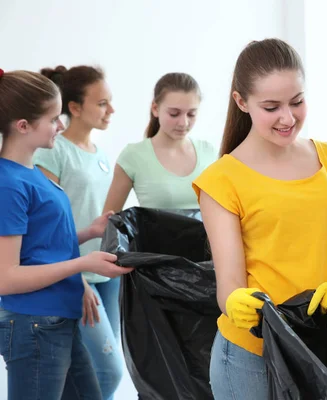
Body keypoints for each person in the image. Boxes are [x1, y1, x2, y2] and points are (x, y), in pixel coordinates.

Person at [192, 39, 327, 399]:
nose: (288, 118)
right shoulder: (221, 181)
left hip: (323, 344)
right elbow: (229, 285)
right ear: (242, 102)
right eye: (271, 107)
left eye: (297, 102)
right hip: (252, 354)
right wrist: (236, 304)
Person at [0, 68, 133, 400]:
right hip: (34, 324)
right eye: (51, 119)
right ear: (23, 126)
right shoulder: (9, 184)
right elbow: (7, 277)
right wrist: (81, 266)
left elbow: (41, 247)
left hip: (57, 319)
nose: (60, 126)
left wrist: (89, 231)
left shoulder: (31, 175)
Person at [34, 65, 122, 400]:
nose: (110, 110)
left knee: (101, 370)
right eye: (102, 103)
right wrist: (79, 279)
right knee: (107, 371)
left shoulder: (101, 155)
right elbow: (49, 225)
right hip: (77, 275)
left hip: (108, 275)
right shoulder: (52, 152)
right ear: (74, 107)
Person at [103, 73, 216, 213]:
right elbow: (108, 222)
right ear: (155, 109)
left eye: (191, 114)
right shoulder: (133, 156)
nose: (184, 123)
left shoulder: (209, 152)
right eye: (174, 114)